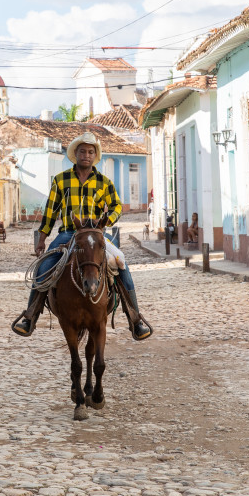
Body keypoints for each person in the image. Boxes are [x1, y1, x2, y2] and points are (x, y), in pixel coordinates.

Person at [11, 132, 153, 340]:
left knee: (121, 263)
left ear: (95, 156)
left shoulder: (104, 182)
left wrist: (106, 222)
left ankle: (135, 319)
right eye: (82, 151)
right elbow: (51, 211)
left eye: (90, 152)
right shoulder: (61, 180)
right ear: (75, 154)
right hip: (68, 233)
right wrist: (42, 238)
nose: (86, 155)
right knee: (43, 268)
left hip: (95, 236)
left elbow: (117, 207)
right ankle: (30, 316)